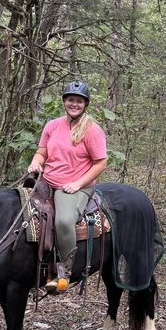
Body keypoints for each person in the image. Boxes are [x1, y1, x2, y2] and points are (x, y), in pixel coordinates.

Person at [27, 81, 108, 292]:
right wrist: (36, 161)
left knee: (63, 221)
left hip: (75, 186)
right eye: (71, 100)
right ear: (64, 101)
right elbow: (42, 151)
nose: (74, 104)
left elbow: (101, 162)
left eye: (79, 101)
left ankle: (65, 272)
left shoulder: (92, 130)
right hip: (47, 181)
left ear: (85, 104)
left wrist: (78, 183)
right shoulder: (52, 125)